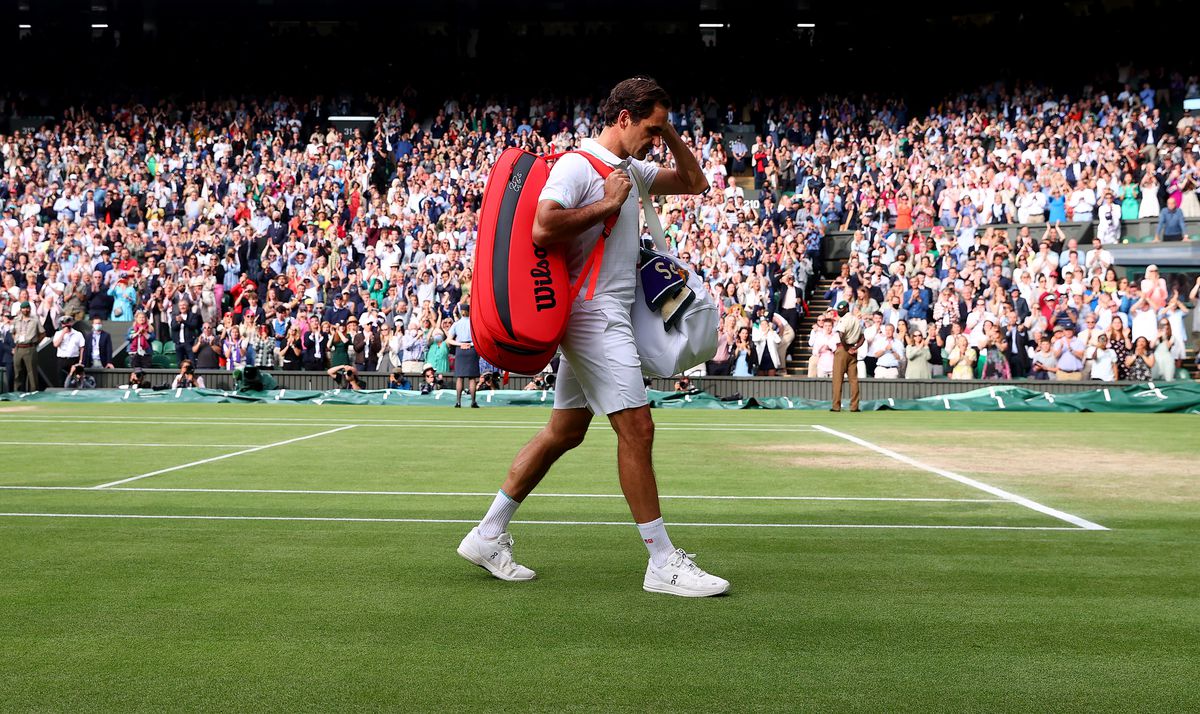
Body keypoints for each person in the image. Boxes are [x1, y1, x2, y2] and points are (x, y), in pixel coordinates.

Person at [457, 77, 729, 597]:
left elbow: (694, 183)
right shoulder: (578, 165)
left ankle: (487, 534)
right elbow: (543, 227)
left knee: (565, 432)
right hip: (594, 316)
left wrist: (669, 134)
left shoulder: (631, 168)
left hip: (609, 314)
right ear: (623, 118)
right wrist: (606, 205)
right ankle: (662, 562)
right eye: (650, 126)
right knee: (638, 429)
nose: (655, 138)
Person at [830, 300, 863, 411]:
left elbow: (841, 335)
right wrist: (855, 347)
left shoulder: (843, 320)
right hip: (853, 351)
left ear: (847, 308)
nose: (839, 311)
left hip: (843, 350)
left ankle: (836, 406)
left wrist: (847, 348)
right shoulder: (856, 320)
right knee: (853, 380)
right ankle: (854, 406)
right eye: (838, 309)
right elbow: (863, 338)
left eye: (841, 309)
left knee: (837, 380)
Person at [446, 304, 479, 408]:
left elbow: (449, 340)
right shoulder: (474, 323)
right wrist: (470, 344)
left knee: (460, 377)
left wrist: (460, 344)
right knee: (472, 378)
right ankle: (473, 402)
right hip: (471, 348)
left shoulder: (457, 324)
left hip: (460, 350)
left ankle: (458, 402)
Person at [12, 301, 43, 392]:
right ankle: (16, 393)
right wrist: (16, 340)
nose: (26, 310)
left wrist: (35, 342)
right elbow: (13, 332)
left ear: (30, 309)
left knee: (32, 374)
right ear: (21, 309)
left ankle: (34, 394)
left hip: (30, 347)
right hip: (18, 347)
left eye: (27, 308)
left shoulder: (35, 320)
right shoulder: (16, 320)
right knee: (18, 373)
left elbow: (42, 333)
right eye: (24, 308)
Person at [51, 315, 85, 385]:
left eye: (68, 322)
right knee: (61, 380)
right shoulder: (58, 334)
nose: (66, 325)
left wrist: (80, 361)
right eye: (64, 323)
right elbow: (56, 344)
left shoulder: (78, 334)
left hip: (74, 359)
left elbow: (82, 348)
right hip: (62, 360)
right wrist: (63, 333)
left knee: (75, 381)